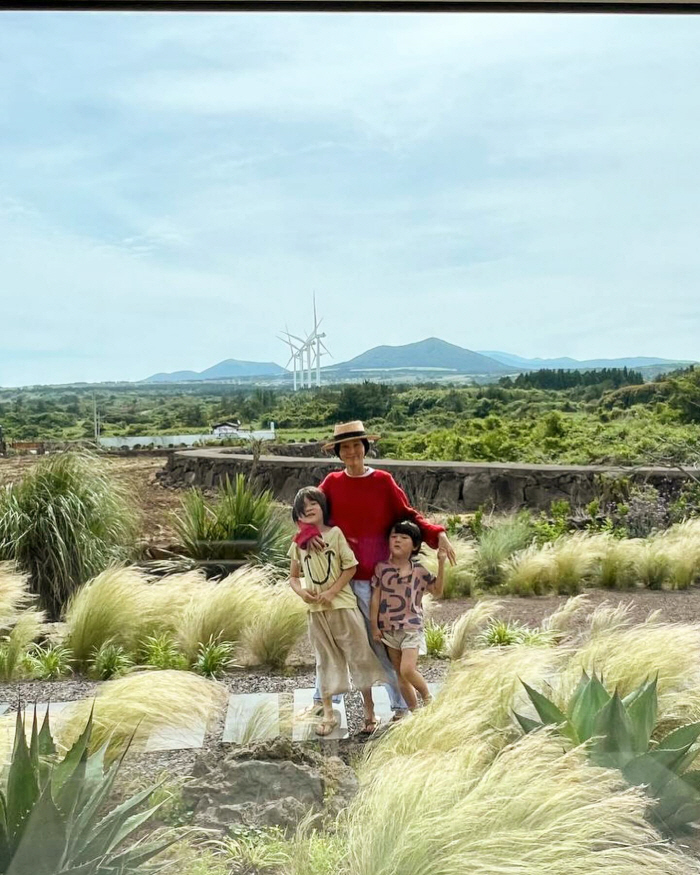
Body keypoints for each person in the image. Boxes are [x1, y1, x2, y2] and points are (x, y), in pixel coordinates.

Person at [295, 420, 456, 720]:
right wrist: (307, 537)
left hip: (378, 581)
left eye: (357, 445)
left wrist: (438, 534)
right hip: (340, 581)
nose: (352, 451)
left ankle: (399, 707)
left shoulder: (383, 482)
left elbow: (408, 514)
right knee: (332, 643)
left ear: (366, 448)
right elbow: (307, 513)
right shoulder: (330, 484)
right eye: (345, 447)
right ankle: (323, 703)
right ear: (339, 453)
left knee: (381, 647)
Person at [288, 486, 386, 736]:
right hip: (316, 611)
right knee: (325, 661)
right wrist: (302, 593)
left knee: (359, 656)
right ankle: (329, 715)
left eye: (314, 504)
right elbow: (293, 577)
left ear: (323, 507)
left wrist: (332, 592)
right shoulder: (299, 543)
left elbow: (350, 567)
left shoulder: (335, 534)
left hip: (342, 605)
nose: (309, 509)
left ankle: (370, 712)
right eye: (303, 506)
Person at [371, 520, 445, 710]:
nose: (397, 540)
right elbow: (376, 599)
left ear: (415, 546)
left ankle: (428, 698)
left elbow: (437, 590)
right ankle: (415, 713)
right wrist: (374, 626)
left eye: (404, 537)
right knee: (400, 675)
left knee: (408, 669)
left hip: (411, 628)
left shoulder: (419, 571)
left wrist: (441, 562)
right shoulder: (381, 568)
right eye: (394, 536)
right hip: (389, 630)